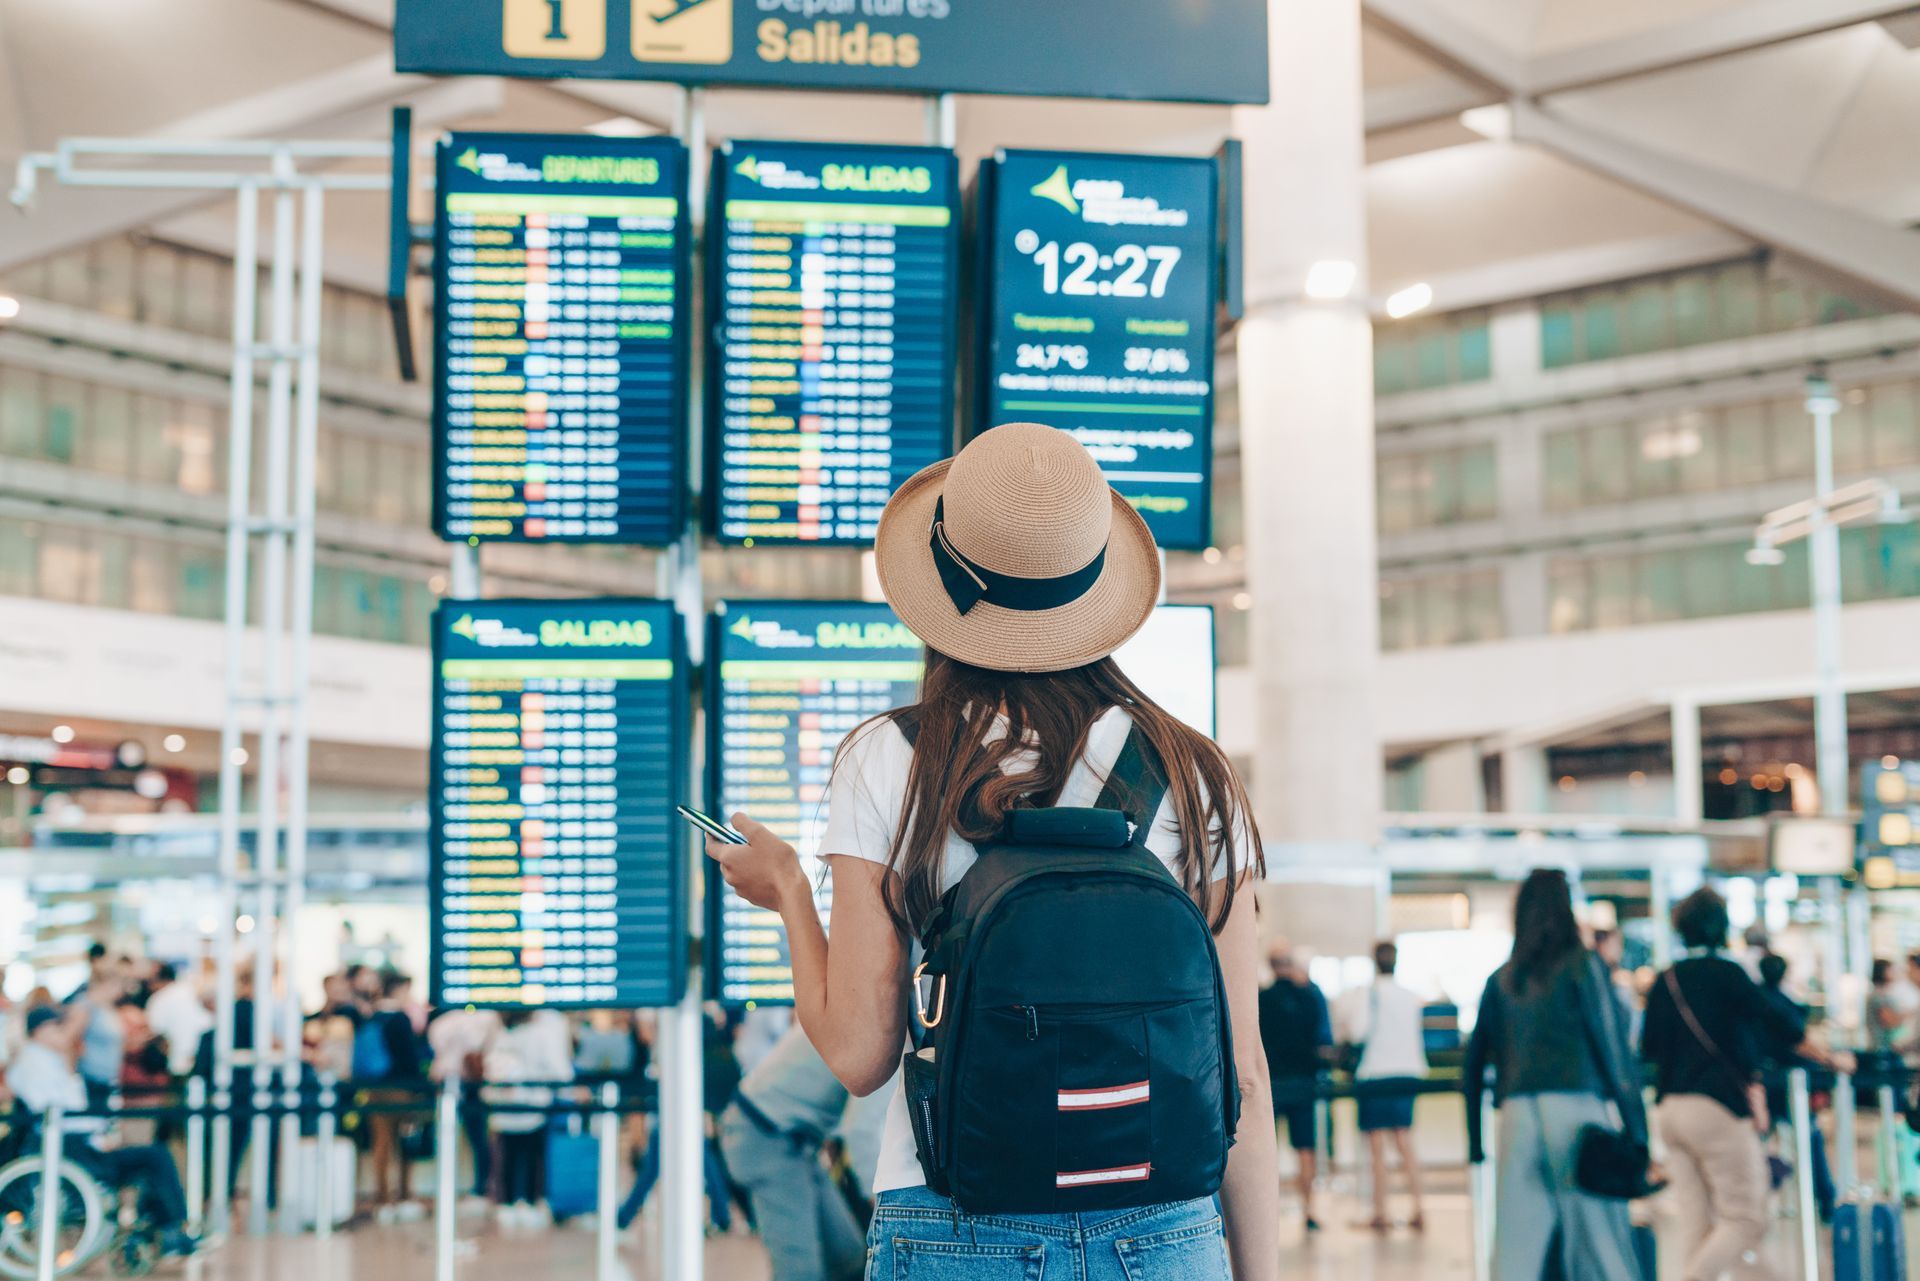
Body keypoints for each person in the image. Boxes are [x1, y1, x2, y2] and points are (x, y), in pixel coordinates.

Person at [702, 424, 1279, 1281]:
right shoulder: (1194, 771)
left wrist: (788, 886)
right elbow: (1243, 1074)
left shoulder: (893, 757)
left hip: (954, 1226)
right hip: (1165, 1231)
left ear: (937, 587)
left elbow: (862, 1055)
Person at [1642, 887, 1853, 1281]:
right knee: (1747, 1218)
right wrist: (1831, 1058)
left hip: (1670, 1109)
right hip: (1717, 1106)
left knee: (1697, 1224)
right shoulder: (1728, 974)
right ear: (1721, 927)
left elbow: (1648, 1047)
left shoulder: (1665, 980)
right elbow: (1783, 1025)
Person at [1464, 870, 1642, 1281]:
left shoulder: (1502, 979)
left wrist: (1476, 1142)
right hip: (1578, 1115)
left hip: (1516, 1114)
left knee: (1515, 1258)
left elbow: (1473, 1066)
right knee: (1602, 1249)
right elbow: (1612, 1049)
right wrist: (1638, 1133)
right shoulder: (1583, 966)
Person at [7, 1006, 198, 1257]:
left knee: (152, 1157)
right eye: (57, 1027)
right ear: (41, 1031)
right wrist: (98, 1134)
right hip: (72, 1149)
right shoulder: (32, 1065)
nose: (64, 1033)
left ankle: (168, 1227)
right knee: (154, 1157)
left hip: (79, 1144)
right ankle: (172, 1229)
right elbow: (56, 1113)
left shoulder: (51, 1061)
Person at [717, 1025, 870, 1281]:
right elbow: (864, 1130)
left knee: (848, 1259)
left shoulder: (859, 1014)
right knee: (800, 1271)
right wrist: (883, 1205)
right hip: (765, 1134)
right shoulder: (882, 1029)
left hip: (794, 1140)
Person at [1339, 939, 1430, 1232]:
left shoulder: (1369, 994)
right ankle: (1419, 1206)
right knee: (1405, 1141)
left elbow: (1357, 1032)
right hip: (1408, 1071)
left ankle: (1382, 1211)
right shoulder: (1409, 996)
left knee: (1377, 1146)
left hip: (1376, 1073)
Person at [1258, 938, 1331, 1232]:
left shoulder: (1261, 999)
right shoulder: (1309, 996)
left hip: (1272, 1084)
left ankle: (1266, 1213)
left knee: (1266, 1151)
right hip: (1303, 1082)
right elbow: (1322, 1039)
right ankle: (1309, 1209)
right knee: (1305, 1149)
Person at [1757, 954, 1835, 1222]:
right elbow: (1797, 1040)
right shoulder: (1780, 1004)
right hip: (1788, 1083)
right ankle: (1825, 1199)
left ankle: (1763, 1200)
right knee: (1810, 1138)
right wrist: (1830, 1059)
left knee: (1763, 1142)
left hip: (1765, 1083)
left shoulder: (1759, 1000)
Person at [485, 1008, 574, 1228]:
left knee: (508, 1157)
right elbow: (559, 1070)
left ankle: (507, 1203)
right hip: (533, 1106)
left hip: (504, 1108)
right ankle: (530, 1201)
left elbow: (491, 1069)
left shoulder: (500, 1037)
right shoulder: (540, 1035)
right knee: (533, 1156)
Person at [357, 971, 427, 1221]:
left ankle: (383, 1198)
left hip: (375, 1089)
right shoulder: (400, 1019)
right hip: (401, 1089)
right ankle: (404, 1195)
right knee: (406, 1142)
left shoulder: (372, 1016)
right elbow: (408, 1058)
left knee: (382, 1144)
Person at [428, 1005, 501, 1205]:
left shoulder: (443, 1023)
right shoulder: (486, 1018)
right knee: (474, 1139)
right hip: (467, 1086)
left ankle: (478, 1187)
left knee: (472, 1138)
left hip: (458, 1085)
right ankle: (478, 1187)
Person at [144, 963, 210, 1081]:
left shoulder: (158, 999)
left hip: (178, 1066)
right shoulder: (192, 990)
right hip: (204, 1060)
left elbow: (155, 1034)